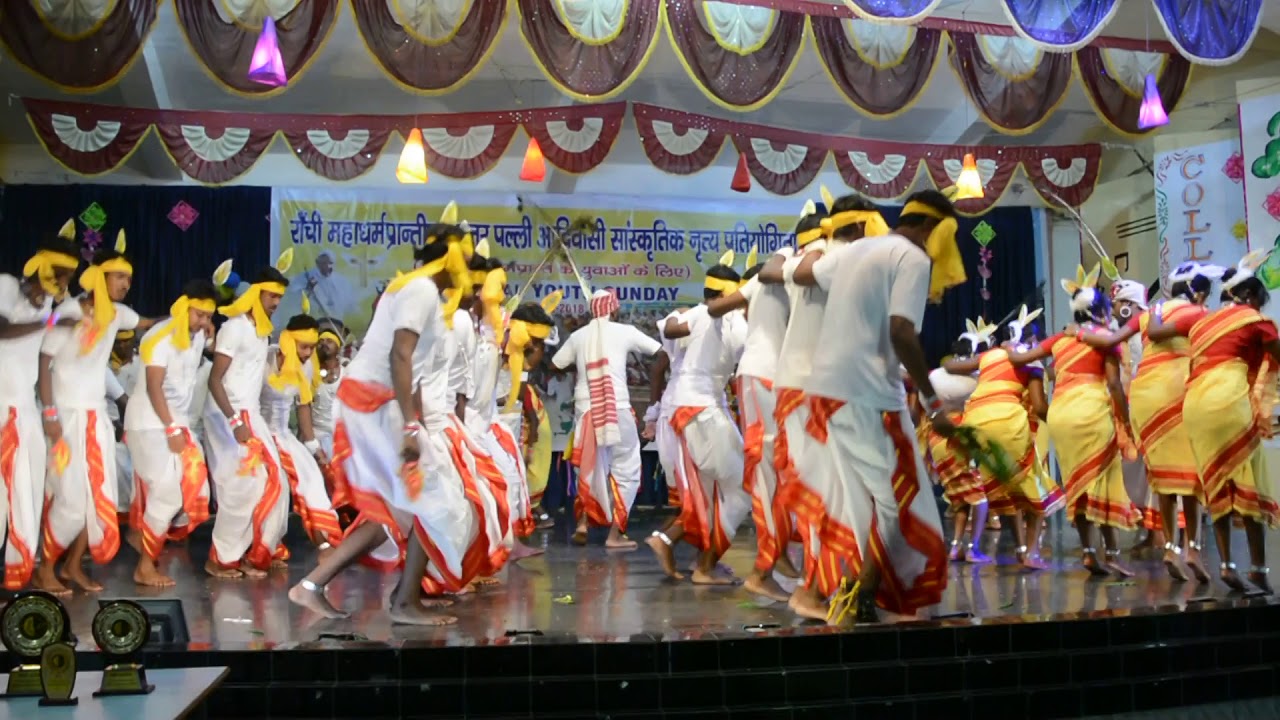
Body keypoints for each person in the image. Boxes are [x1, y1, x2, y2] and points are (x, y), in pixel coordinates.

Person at [288, 206, 476, 625]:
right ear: (450, 259)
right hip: (373, 406)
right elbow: (399, 356)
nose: (468, 271)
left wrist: (418, 425)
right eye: (466, 261)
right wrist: (410, 427)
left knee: (398, 509)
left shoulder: (423, 293)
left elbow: (414, 371)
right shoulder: (420, 290)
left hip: (380, 405)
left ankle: (311, 586)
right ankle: (405, 601)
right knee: (436, 500)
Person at [789, 189, 965, 625]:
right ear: (933, 226)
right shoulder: (912, 257)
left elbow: (804, 274)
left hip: (824, 391)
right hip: (868, 393)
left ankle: (837, 592)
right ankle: (865, 595)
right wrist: (932, 402)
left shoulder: (855, 249)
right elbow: (902, 330)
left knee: (858, 500)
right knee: (903, 498)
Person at [757, 194, 890, 619]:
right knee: (833, 496)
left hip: (814, 388)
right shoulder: (837, 257)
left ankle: (824, 588)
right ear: (862, 226)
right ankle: (811, 592)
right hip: (812, 390)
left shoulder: (815, 256)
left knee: (835, 495)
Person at [1073, 262, 1222, 583]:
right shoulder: (1198, 313)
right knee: (1193, 477)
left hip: (1145, 399)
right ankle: (1192, 549)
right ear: (1198, 293)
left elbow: (1109, 341)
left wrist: (1080, 332)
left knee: (1162, 479)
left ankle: (1169, 547)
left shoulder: (1150, 313)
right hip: (1178, 393)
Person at [37, 236, 156, 594]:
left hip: (96, 419)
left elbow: (149, 323)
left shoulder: (117, 314)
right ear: (99, 276)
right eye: (119, 277)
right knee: (70, 499)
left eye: (129, 279)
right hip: (65, 417)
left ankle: (72, 565)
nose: (125, 284)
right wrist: (50, 414)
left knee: (94, 497)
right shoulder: (70, 312)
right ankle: (44, 568)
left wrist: (190, 318)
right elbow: (44, 362)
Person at [1009, 264, 1138, 579]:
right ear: (1101, 311)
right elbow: (1114, 384)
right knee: (1104, 480)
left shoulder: (1060, 339)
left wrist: (1008, 347)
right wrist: (1126, 421)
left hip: (1061, 415)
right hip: (1091, 411)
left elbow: (1019, 359)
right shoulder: (1106, 338)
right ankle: (1111, 554)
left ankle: (1089, 552)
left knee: (1078, 483)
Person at [703, 255, 802, 600]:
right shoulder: (790, 269)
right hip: (766, 376)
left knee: (778, 472)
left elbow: (716, 307)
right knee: (768, 471)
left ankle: (776, 556)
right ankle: (765, 566)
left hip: (767, 376)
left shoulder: (769, 275)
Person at [1182, 251, 1280, 593]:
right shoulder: (1255, 321)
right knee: (1248, 482)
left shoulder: (1202, 324)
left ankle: (1226, 565)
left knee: (1216, 482)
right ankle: (1258, 569)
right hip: (1228, 403)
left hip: (1195, 406)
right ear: (1249, 295)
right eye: (1259, 300)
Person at [652, 253, 750, 585]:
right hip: (703, 410)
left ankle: (693, 556)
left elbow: (670, 329)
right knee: (743, 488)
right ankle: (701, 563)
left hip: (681, 409)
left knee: (708, 492)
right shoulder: (735, 322)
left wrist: (679, 317)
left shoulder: (697, 312)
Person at [944, 306, 1063, 570]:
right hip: (1007, 423)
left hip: (975, 424)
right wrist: (1060, 422)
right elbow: (1039, 407)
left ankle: (1020, 549)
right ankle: (1031, 553)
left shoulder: (990, 355)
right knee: (1034, 487)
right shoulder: (1032, 364)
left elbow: (950, 366)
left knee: (1006, 491)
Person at [124, 279, 219, 586]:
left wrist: (209, 336)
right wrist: (171, 427)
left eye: (208, 316)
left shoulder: (197, 335)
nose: (203, 322)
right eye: (199, 314)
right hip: (150, 423)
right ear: (183, 307)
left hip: (176, 423)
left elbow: (202, 352)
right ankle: (144, 566)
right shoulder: (160, 337)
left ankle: (140, 537)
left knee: (193, 489)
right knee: (167, 495)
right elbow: (154, 387)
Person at [0, 229, 79, 590]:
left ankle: (18, 572)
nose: (65, 283)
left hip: (25, 407)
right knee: (9, 490)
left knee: (28, 490)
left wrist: (49, 411)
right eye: (63, 275)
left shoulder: (48, 304)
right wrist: (50, 323)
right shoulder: (6, 285)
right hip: (4, 406)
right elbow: (2, 329)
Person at [553, 288, 661, 549]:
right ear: (614, 309)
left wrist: (583, 364)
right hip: (618, 408)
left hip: (586, 411)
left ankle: (582, 524)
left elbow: (557, 363)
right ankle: (615, 535)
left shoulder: (578, 336)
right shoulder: (625, 331)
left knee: (589, 468)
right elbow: (658, 351)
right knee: (627, 470)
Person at [203, 261, 291, 578]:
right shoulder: (235, 327)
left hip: (249, 413)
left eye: (279, 297)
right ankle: (220, 559)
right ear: (256, 293)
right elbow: (215, 380)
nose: (276, 303)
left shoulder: (262, 333)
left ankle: (257, 552)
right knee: (241, 486)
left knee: (275, 482)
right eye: (271, 296)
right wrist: (234, 423)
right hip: (227, 414)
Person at [261, 314, 343, 553]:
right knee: (274, 487)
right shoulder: (266, 359)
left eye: (311, 347)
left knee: (312, 477)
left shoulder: (306, 367)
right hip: (259, 433)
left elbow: (303, 405)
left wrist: (313, 446)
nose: (308, 353)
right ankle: (265, 548)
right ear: (289, 340)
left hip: (283, 434)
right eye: (304, 347)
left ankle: (324, 540)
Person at [932, 325, 998, 564]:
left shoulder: (935, 375)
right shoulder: (976, 380)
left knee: (961, 499)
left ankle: (955, 547)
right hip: (958, 437)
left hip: (936, 437)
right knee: (979, 498)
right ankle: (973, 548)